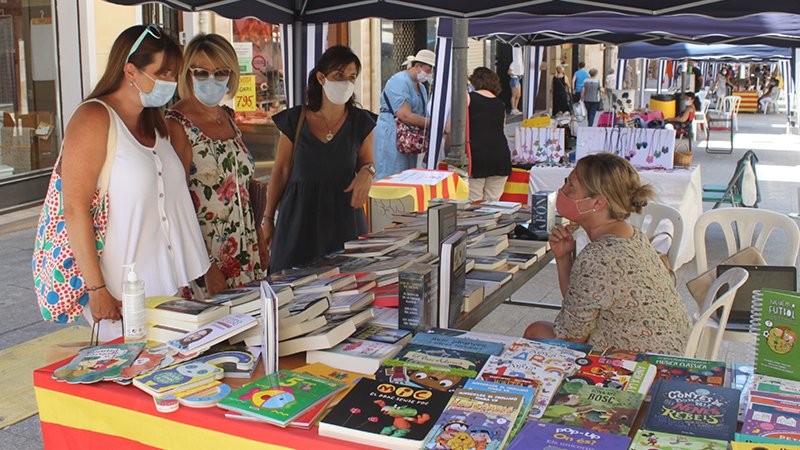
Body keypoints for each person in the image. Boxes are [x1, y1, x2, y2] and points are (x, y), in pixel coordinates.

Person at [58, 25, 209, 338]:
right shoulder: (93, 118)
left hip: (178, 288)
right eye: (163, 72)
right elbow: (74, 207)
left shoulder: (155, 123)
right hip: (124, 298)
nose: (170, 82)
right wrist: (96, 288)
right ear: (130, 70)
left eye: (174, 74)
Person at [523, 154, 691, 355]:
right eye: (565, 183)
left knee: (536, 332)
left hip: (639, 363)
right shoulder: (631, 235)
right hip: (667, 350)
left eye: (571, 187)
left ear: (598, 202)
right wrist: (563, 258)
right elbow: (580, 307)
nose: (562, 191)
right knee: (541, 330)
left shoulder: (599, 256)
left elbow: (572, 339)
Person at [166, 34, 264, 295]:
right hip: (205, 256)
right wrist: (205, 266)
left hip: (245, 248)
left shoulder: (228, 117)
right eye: (201, 72)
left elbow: (243, 190)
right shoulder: (177, 124)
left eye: (220, 73)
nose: (211, 80)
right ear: (188, 74)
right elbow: (176, 202)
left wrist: (260, 240)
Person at [264, 46, 376, 273]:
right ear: (321, 78)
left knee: (346, 288)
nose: (345, 82)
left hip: (343, 219)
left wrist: (368, 172)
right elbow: (281, 171)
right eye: (339, 76)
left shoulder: (360, 122)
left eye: (351, 77)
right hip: (298, 221)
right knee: (290, 287)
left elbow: (368, 163)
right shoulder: (295, 119)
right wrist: (268, 217)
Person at [374, 49, 433, 181]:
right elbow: (404, 115)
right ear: (418, 66)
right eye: (429, 70)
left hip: (409, 138)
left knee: (407, 177)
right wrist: (433, 123)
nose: (430, 74)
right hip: (391, 134)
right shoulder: (399, 81)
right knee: (391, 176)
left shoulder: (421, 87)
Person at [467, 67, 511, 202]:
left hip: (476, 156)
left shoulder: (468, 98)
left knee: (473, 203)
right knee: (493, 203)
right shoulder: (500, 104)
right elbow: (501, 127)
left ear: (475, 81)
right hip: (500, 156)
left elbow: (453, 127)